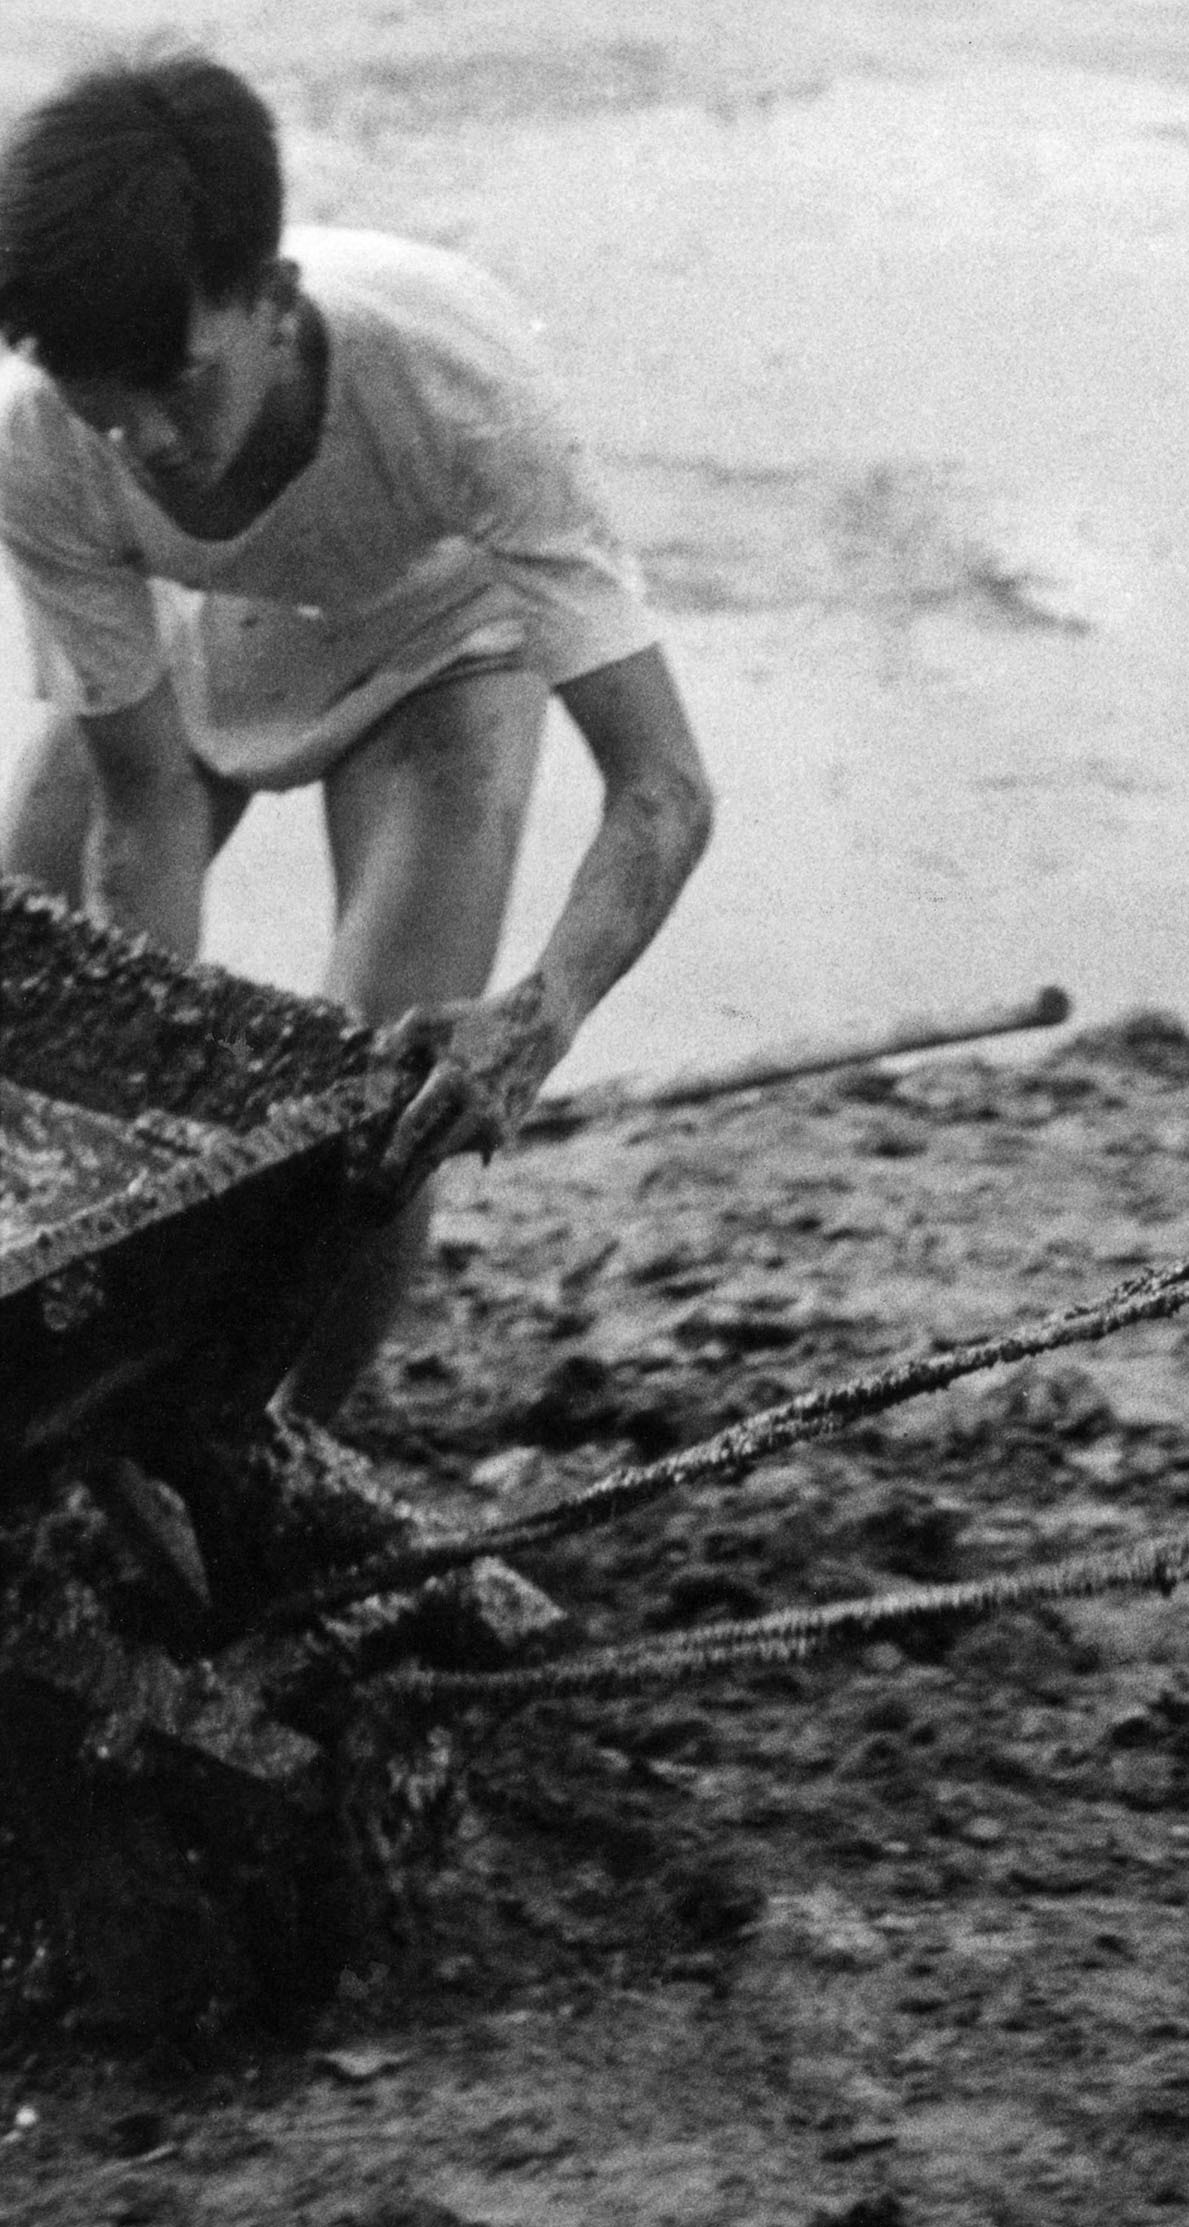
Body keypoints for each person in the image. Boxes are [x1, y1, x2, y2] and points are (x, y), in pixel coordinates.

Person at [0, 47, 713, 1416]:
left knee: (374, 1119)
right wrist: (133, 1156)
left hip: (443, 643)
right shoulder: (46, 441)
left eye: (179, 382)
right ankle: (68, 1401)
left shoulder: (457, 389)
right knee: (30, 1007)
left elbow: (665, 790)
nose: (145, 437)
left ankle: (282, 1442)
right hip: (218, 618)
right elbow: (141, 813)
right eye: (106, 401)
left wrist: (541, 1013)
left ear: (273, 301)